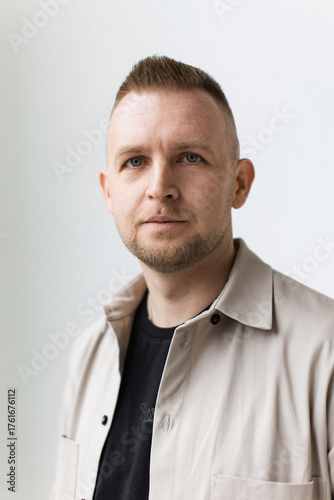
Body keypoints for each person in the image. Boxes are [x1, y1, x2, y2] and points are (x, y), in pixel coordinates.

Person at [50, 55, 334, 500]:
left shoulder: (325, 352)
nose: (160, 185)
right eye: (135, 161)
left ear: (239, 183)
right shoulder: (91, 354)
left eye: (189, 157)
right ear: (108, 190)